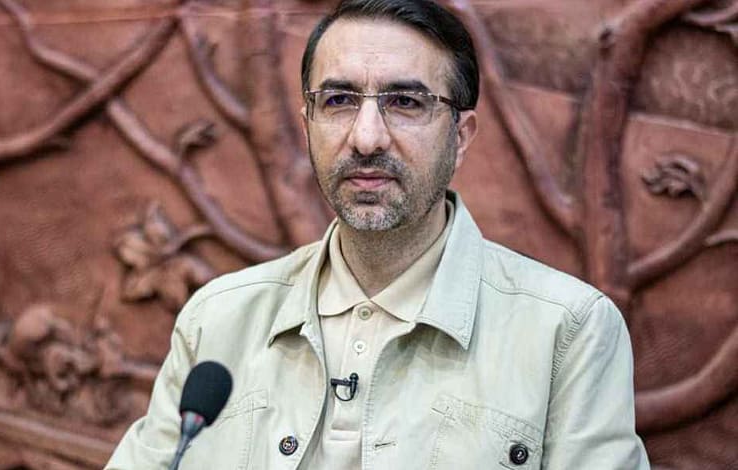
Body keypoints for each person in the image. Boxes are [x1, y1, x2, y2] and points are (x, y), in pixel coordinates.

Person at [106, 0, 650, 468]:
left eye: (406, 102)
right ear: (307, 124)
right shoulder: (217, 320)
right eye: (339, 101)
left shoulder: (568, 332)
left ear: (461, 136)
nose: (366, 138)